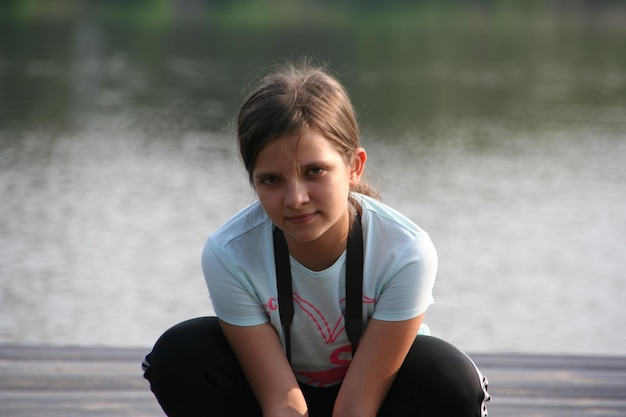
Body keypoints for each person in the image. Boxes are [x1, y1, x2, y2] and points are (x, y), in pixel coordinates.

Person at [142, 60, 490, 417]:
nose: (295, 199)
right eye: (271, 180)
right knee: (180, 353)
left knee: (450, 379)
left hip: (375, 399)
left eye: (314, 172)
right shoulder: (229, 252)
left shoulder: (406, 251)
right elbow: (282, 403)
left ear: (354, 166)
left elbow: (357, 408)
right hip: (277, 395)